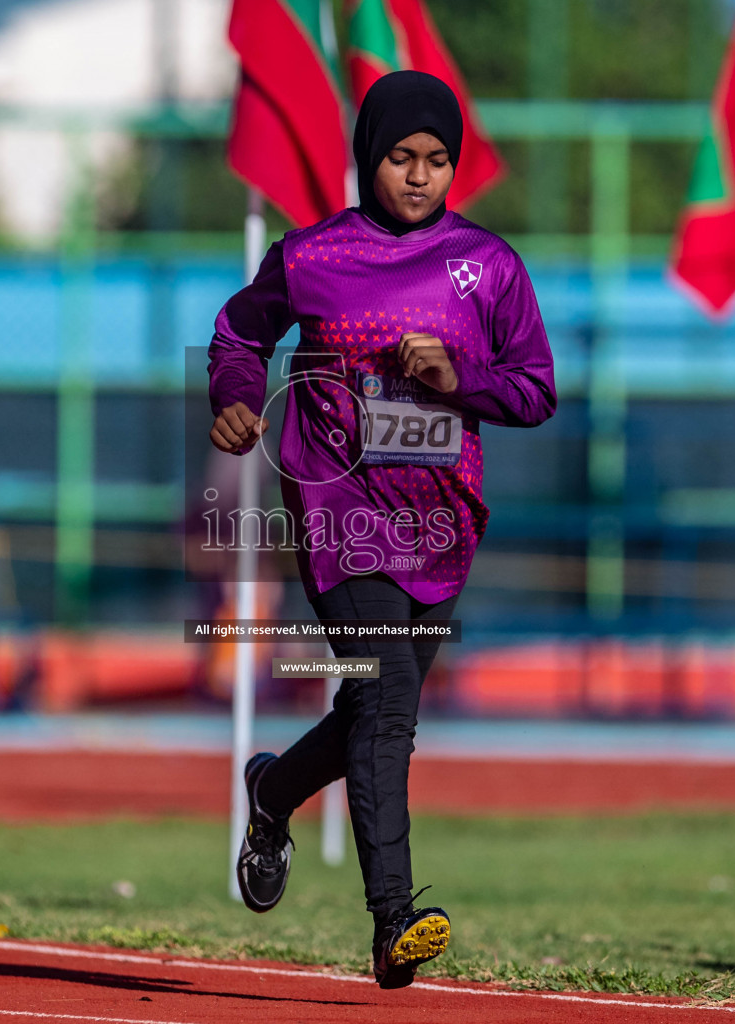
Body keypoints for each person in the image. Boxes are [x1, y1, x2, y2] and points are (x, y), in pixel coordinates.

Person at [207, 70, 556, 989]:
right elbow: (241, 334)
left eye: (438, 161)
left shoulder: (492, 266)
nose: (419, 176)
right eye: (401, 158)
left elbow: (535, 389)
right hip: (336, 507)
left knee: (374, 711)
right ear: (370, 158)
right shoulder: (312, 256)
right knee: (389, 698)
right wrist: (238, 400)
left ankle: (271, 793)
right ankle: (394, 922)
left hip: (440, 521)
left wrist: (458, 375)